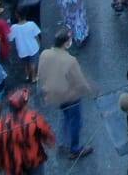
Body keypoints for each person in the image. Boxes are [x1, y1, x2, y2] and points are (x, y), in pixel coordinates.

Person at [36, 28, 93, 161]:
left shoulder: (45, 54)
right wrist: (89, 90)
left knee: (66, 117)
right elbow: (80, 81)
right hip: (70, 96)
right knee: (75, 121)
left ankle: (62, 142)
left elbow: (41, 74)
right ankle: (74, 149)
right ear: (66, 43)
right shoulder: (70, 60)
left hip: (55, 95)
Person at [0, 88, 55, 175]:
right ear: (25, 104)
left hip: (11, 166)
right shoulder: (35, 118)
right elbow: (49, 138)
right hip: (34, 161)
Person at [9, 8, 41, 84]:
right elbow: (36, 36)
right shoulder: (32, 24)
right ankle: (33, 78)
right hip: (33, 48)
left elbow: (10, 38)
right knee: (33, 63)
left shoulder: (13, 27)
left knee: (26, 63)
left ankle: (27, 75)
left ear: (17, 16)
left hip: (22, 50)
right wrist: (39, 44)